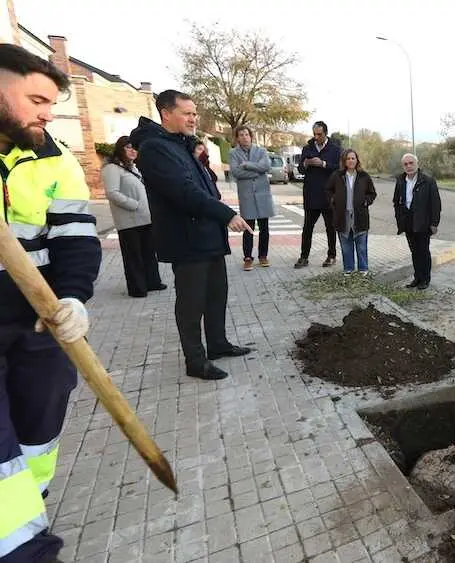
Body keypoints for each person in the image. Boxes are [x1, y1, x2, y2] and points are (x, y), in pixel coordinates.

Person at [0, 43, 101, 563]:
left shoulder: (54, 159)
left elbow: (77, 236)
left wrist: (73, 297)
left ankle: (28, 513)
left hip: (36, 320)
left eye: (52, 103)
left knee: (37, 431)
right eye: (36, 98)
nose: (46, 112)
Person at [130, 90, 253, 381]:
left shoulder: (182, 144)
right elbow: (184, 192)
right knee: (191, 302)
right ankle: (195, 361)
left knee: (216, 294)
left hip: (207, 234)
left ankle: (218, 344)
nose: (193, 118)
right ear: (166, 114)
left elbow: (204, 184)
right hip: (187, 238)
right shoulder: (155, 149)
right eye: (187, 113)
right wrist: (226, 215)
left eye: (194, 113)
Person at [101, 136, 166, 297]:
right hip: (128, 221)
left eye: (134, 148)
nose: (132, 151)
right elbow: (112, 193)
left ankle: (152, 282)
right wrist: (134, 204)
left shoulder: (133, 167)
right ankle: (138, 288)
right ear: (120, 148)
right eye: (128, 147)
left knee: (149, 253)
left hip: (145, 218)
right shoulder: (112, 168)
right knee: (134, 256)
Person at [228, 125, 275, 270]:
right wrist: (257, 171)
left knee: (264, 228)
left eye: (246, 134)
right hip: (247, 196)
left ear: (251, 136)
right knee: (248, 227)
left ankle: (263, 256)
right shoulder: (233, 153)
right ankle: (247, 257)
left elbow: (266, 166)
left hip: (263, 195)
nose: (244, 137)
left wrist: (247, 165)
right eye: (241, 135)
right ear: (237, 138)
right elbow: (236, 172)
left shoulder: (261, 151)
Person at [393, 153, 441, 289]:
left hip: (423, 222)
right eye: (405, 164)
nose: (408, 166)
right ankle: (417, 278)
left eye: (411, 163)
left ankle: (425, 279)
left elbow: (436, 204)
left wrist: (434, 223)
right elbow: (396, 201)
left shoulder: (428, 181)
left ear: (417, 164)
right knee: (414, 251)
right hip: (408, 221)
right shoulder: (400, 180)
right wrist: (399, 219)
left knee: (423, 251)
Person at [296, 121, 340, 268]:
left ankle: (331, 256)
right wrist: (306, 164)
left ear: (325, 133)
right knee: (307, 227)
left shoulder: (335, 149)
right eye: (314, 134)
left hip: (328, 195)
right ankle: (304, 257)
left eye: (319, 134)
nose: (316, 137)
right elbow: (301, 169)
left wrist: (323, 164)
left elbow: (339, 169)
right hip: (311, 194)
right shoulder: (307, 148)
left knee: (330, 227)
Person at [327, 149, 377, 275]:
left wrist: (366, 201)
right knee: (346, 246)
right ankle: (348, 269)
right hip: (342, 216)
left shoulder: (364, 176)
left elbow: (372, 193)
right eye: (348, 158)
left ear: (357, 160)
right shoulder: (337, 176)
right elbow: (328, 190)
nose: (350, 161)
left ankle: (363, 270)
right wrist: (333, 200)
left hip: (359, 216)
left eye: (353, 158)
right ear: (344, 161)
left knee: (361, 246)